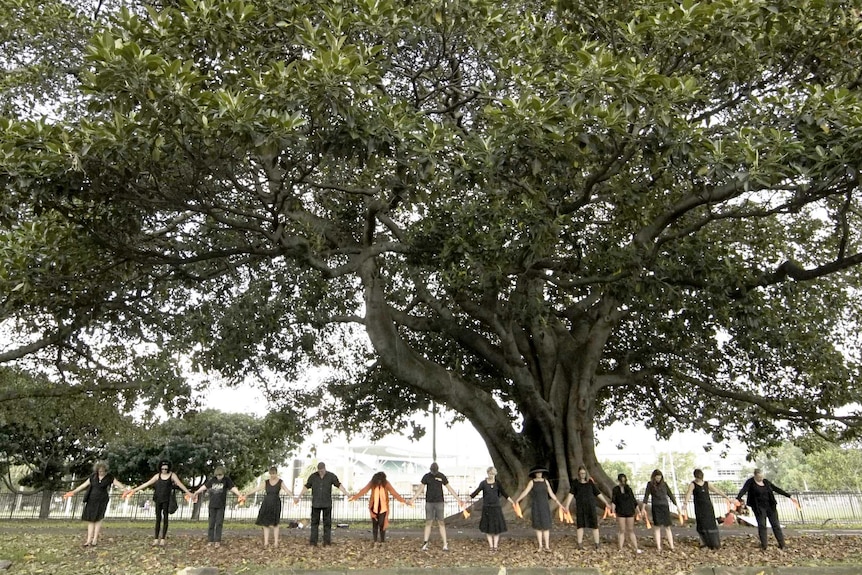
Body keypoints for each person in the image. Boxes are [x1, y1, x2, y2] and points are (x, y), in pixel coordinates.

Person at [124, 460, 193, 547]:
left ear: (168, 468)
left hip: (167, 500)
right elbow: (147, 483)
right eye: (162, 468)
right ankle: (156, 539)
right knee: (158, 519)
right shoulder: (157, 476)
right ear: (160, 468)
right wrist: (134, 490)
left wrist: (188, 492)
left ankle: (163, 539)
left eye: (165, 468)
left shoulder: (172, 475)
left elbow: (180, 484)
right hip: (158, 499)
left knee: (165, 518)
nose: (164, 470)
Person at [63, 461, 127, 547]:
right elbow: (83, 486)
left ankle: (95, 539)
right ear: (97, 470)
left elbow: (118, 484)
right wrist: (73, 492)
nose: (101, 472)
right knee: (90, 519)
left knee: (98, 519)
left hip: (102, 500)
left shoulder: (109, 477)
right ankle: (88, 540)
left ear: (105, 470)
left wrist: (125, 490)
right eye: (100, 471)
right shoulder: (93, 477)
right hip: (91, 500)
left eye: (103, 471)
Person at [735, 468, 799, 551]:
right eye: (759, 477)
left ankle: (782, 544)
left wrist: (789, 496)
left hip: (770, 506)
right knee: (762, 525)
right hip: (758, 507)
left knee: (776, 525)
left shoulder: (766, 482)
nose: (761, 479)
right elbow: (743, 490)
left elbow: (776, 489)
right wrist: (737, 498)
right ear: (755, 476)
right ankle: (764, 545)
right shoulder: (750, 482)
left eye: (762, 477)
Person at [294, 462, 349, 547]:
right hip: (316, 503)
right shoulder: (313, 476)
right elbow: (306, 486)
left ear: (325, 468)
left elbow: (338, 485)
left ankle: (327, 542)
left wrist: (346, 493)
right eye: (319, 471)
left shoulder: (331, 476)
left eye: (322, 471)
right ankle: (313, 542)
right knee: (314, 524)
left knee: (327, 524)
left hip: (327, 503)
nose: (321, 473)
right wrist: (299, 497)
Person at [349, 471, 412, 544]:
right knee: (374, 524)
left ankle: (382, 540)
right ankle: (375, 540)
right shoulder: (372, 483)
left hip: (383, 507)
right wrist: (354, 498)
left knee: (382, 524)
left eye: (380, 481)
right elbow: (364, 490)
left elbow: (394, 493)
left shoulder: (386, 484)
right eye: (377, 481)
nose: (379, 482)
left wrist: (404, 501)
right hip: (374, 506)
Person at [563, 465, 614, 550]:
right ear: (578, 474)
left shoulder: (590, 482)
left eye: (584, 473)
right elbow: (571, 494)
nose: (582, 475)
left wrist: (606, 502)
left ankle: (597, 543)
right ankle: (579, 544)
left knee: (594, 525)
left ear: (586, 473)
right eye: (581, 473)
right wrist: (567, 505)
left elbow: (598, 493)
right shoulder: (575, 483)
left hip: (591, 506)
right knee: (580, 525)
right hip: (580, 507)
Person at [191, 466, 244, 548]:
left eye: (221, 475)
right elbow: (205, 486)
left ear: (223, 474)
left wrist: (239, 494)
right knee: (211, 523)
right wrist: (196, 492)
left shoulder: (227, 480)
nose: (219, 477)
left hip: (221, 505)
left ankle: (217, 540)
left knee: (219, 523)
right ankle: (210, 540)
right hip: (212, 505)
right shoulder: (212, 480)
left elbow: (232, 488)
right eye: (218, 475)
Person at [514, 466, 562, 553]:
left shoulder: (545, 482)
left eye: (540, 472)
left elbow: (551, 494)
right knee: (538, 526)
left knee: (546, 526)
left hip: (544, 505)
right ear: (535, 474)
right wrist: (518, 499)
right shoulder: (532, 482)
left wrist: (559, 504)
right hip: (536, 506)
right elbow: (525, 492)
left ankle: (547, 546)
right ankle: (540, 546)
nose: (539, 474)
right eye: (537, 472)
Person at [415, 461, 461, 551]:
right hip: (429, 502)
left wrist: (458, 499)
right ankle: (425, 543)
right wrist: (412, 499)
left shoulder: (441, 476)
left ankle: (445, 544)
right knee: (428, 522)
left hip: (439, 502)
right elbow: (421, 488)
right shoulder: (426, 476)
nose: (434, 473)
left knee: (441, 522)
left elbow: (449, 488)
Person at [682, 468, 732, 550]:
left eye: (700, 478)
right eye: (697, 478)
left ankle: (714, 542)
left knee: (711, 524)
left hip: (708, 506)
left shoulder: (707, 484)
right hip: (699, 507)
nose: (699, 479)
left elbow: (716, 490)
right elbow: (689, 493)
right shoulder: (693, 484)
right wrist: (685, 503)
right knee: (702, 524)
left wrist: (726, 497)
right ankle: (703, 543)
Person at [468, 467, 515, 552]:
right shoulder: (483, 483)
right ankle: (491, 546)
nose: (491, 475)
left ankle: (495, 546)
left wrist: (512, 501)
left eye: (493, 474)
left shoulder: (497, 483)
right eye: (490, 473)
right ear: (487, 473)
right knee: (488, 528)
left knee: (496, 528)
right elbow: (476, 492)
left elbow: (504, 493)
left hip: (496, 507)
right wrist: (467, 499)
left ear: (495, 474)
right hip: (487, 508)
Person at [245, 466, 294, 548]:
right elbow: (257, 488)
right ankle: (266, 542)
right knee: (265, 523)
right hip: (267, 502)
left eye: (274, 474)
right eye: (271, 474)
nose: (272, 476)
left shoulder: (280, 482)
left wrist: (293, 497)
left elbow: (287, 490)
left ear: (276, 473)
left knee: (275, 523)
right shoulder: (266, 482)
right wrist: (247, 494)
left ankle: (276, 543)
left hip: (276, 503)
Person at [640, 469, 678, 552]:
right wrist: (643, 508)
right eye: (657, 478)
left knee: (667, 527)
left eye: (659, 478)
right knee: (657, 527)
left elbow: (670, 495)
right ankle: (658, 547)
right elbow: (646, 496)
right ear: (654, 477)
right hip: (656, 507)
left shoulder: (664, 484)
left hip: (664, 506)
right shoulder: (650, 484)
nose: (658, 479)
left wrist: (677, 506)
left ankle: (672, 546)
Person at [611, 473, 642, 554]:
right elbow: (614, 501)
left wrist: (638, 511)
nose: (623, 482)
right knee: (622, 530)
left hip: (629, 511)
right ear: (618, 481)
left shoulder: (629, 489)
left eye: (624, 481)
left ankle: (636, 548)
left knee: (631, 530)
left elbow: (634, 501)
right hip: (620, 511)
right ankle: (620, 548)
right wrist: (613, 512)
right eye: (621, 481)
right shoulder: (616, 489)